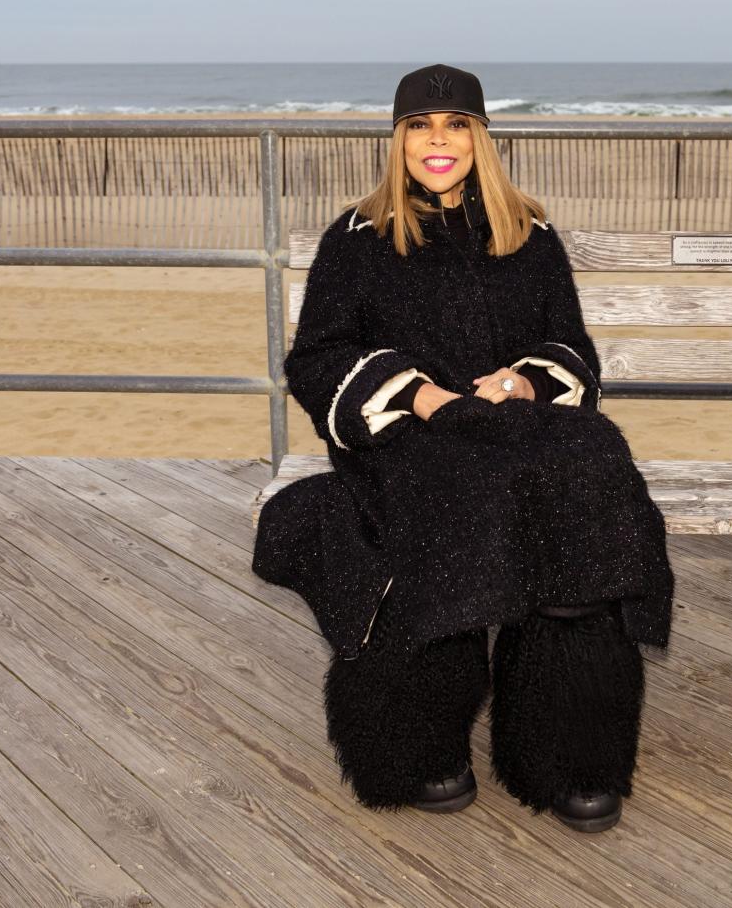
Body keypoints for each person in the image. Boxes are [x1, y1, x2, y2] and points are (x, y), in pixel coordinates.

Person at [252, 63, 674, 833]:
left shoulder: (531, 235)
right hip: (406, 430)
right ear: (398, 139)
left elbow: (569, 346)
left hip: (515, 422)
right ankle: (418, 740)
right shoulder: (358, 238)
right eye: (420, 126)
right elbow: (316, 358)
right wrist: (417, 393)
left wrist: (523, 382)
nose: (437, 141)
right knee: (441, 500)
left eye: (454, 125)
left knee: (592, 475)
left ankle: (569, 748)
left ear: (480, 137)